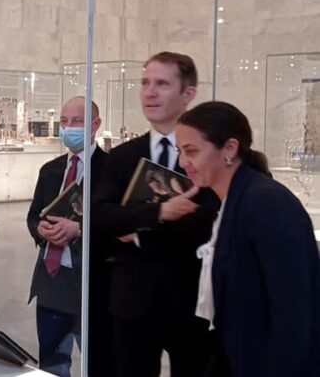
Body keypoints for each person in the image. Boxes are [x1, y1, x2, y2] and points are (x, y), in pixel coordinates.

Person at [92, 51, 219, 377]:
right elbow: (100, 218)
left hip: (190, 302)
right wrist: (160, 212)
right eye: (145, 83)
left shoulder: (205, 154)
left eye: (162, 84)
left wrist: (137, 232)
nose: (149, 93)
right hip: (132, 303)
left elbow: (205, 225)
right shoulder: (123, 156)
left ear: (188, 93)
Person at [175, 101, 320, 377]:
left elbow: (292, 310)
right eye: (179, 151)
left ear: (229, 149)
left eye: (191, 151)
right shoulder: (233, 201)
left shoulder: (267, 203)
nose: (183, 162)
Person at [26, 97, 115, 377]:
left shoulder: (111, 171)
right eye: (64, 122)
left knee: (99, 363)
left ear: (95, 125)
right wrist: (40, 230)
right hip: (52, 282)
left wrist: (79, 231)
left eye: (77, 121)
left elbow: (117, 226)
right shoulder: (50, 170)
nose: (68, 127)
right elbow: (33, 216)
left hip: (93, 283)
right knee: (52, 363)